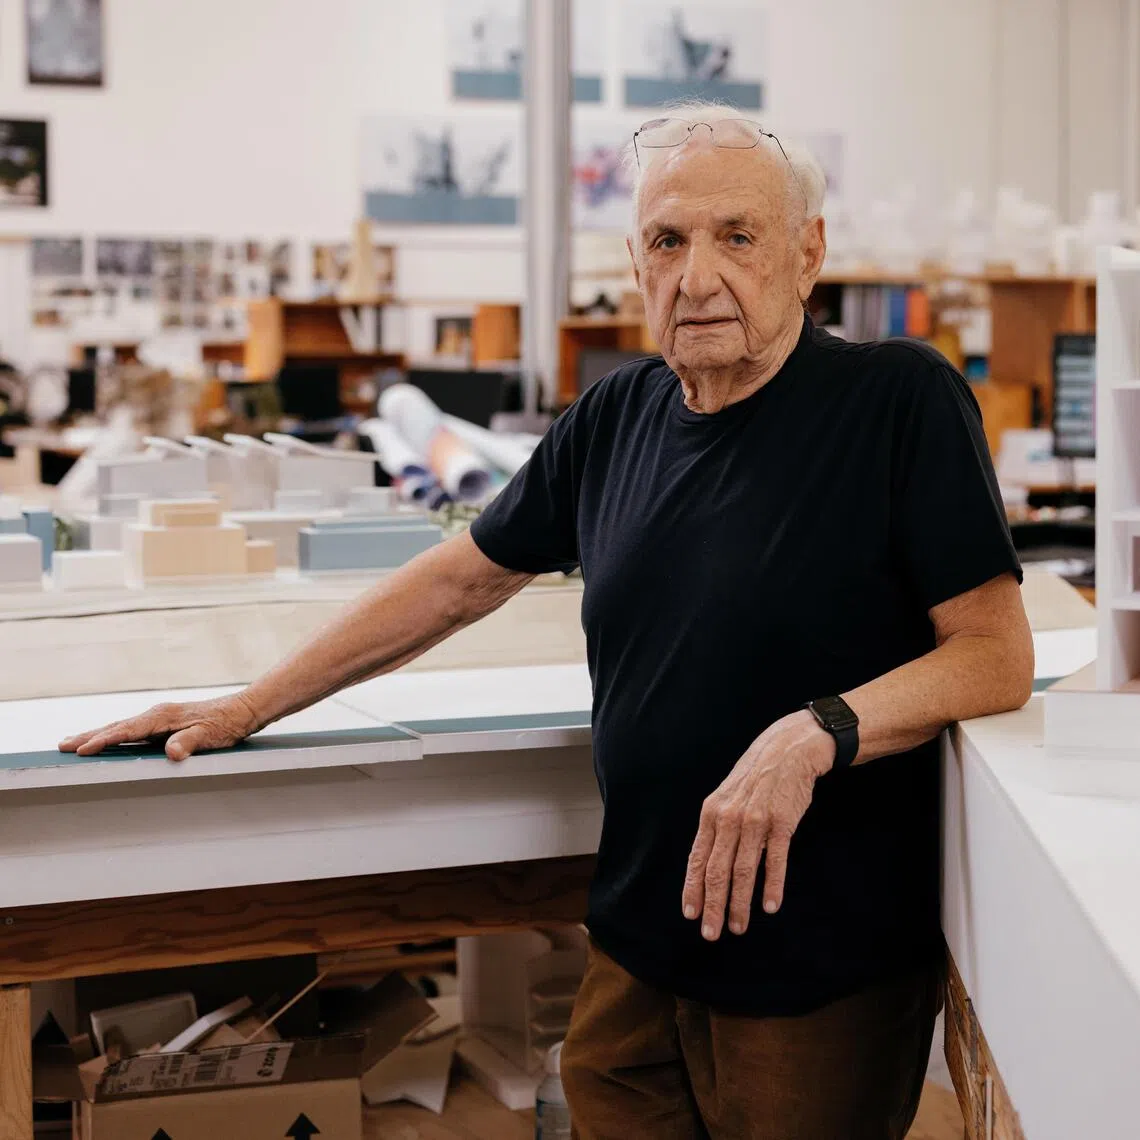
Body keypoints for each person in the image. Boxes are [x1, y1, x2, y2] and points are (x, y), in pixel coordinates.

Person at [61, 104, 1034, 1139]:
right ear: (635, 261)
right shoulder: (615, 418)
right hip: (639, 938)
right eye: (667, 240)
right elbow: (455, 583)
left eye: (735, 237)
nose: (697, 276)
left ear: (808, 255)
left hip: (814, 960)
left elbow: (993, 654)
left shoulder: (896, 403)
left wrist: (816, 733)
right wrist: (248, 704)